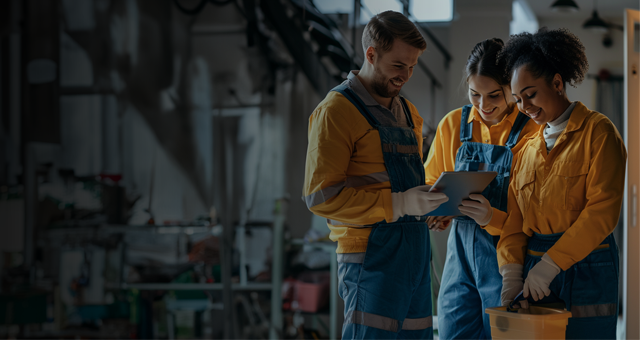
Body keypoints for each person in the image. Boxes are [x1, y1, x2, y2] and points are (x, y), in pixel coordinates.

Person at [302, 10, 448, 339]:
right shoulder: (336, 111)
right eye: (398, 65)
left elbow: (399, 182)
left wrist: (429, 200)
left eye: (412, 66)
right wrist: (398, 203)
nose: (406, 75)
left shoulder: (409, 113)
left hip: (414, 252)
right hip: (370, 257)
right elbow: (320, 197)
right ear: (371, 54)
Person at [497, 28, 626, 339]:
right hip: (534, 269)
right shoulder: (526, 149)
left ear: (557, 83)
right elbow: (514, 223)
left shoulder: (599, 132)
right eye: (517, 99)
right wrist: (512, 274)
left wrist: (551, 264)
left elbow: (602, 212)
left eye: (530, 94)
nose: (524, 106)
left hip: (589, 265)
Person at [423, 38, 538, 339]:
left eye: (494, 96)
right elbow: (429, 181)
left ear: (511, 88)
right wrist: (438, 209)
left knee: (504, 335)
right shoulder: (452, 126)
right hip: (458, 255)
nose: (484, 106)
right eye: (475, 95)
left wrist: (493, 218)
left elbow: (536, 210)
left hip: (507, 257)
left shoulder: (533, 133)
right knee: (451, 332)